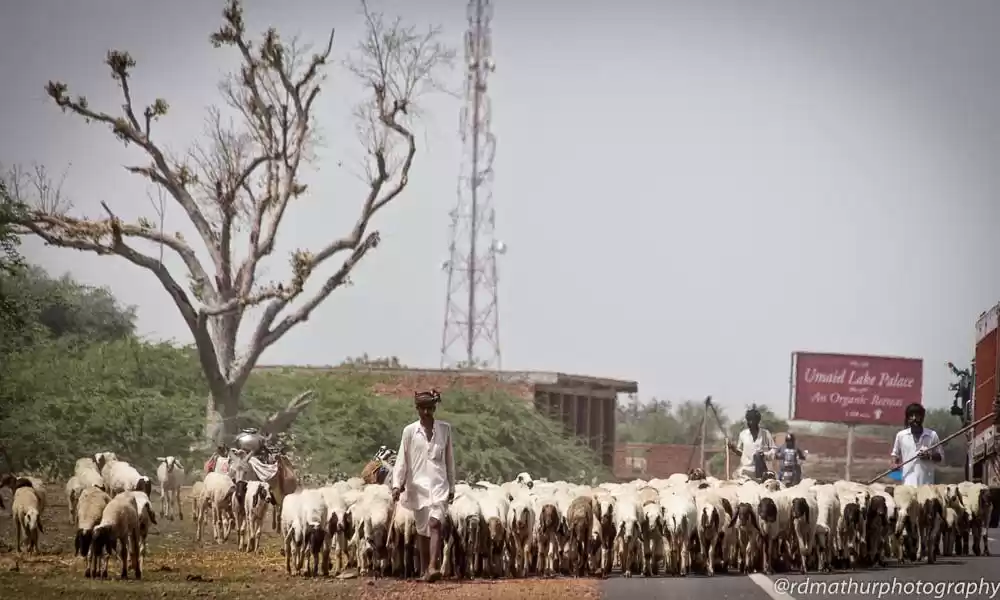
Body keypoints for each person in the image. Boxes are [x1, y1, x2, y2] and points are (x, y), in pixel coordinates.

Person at [391, 390, 456, 583]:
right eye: (423, 409)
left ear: (435, 408)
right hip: (417, 486)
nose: (427, 413)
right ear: (417, 409)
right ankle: (425, 568)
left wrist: (452, 487)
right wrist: (397, 484)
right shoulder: (409, 431)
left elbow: (449, 460)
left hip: (439, 485)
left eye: (430, 408)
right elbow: (402, 460)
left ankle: (433, 567)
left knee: (435, 524)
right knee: (422, 530)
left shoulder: (445, 430)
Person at [891, 403, 941, 485]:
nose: (914, 418)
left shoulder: (932, 435)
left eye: (917, 416)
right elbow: (895, 454)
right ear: (907, 419)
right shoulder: (901, 435)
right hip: (907, 483)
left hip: (927, 483)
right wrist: (894, 464)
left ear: (922, 417)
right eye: (911, 416)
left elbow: (940, 457)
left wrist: (929, 456)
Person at [728, 406, 777, 479]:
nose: (750, 423)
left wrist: (764, 455)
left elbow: (774, 450)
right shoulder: (743, 434)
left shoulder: (765, 434)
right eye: (749, 420)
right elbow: (742, 453)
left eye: (753, 420)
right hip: (746, 470)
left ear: (757, 421)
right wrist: (733, 449)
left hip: (761, 471)